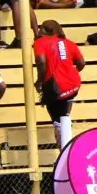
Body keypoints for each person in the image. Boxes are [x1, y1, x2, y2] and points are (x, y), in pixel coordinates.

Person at [35, 18, 84, 150]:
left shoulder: (40, 42)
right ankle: (66, 145)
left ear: (47, 30)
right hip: (73, 85)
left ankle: (65, 151)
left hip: (54, 87)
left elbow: (41, 61)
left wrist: (39, 80)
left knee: (58, 121)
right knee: (64, 117)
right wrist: (70, 73)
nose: (39, 30)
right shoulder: (69, 43)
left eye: (41, 28)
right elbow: (81, 63)